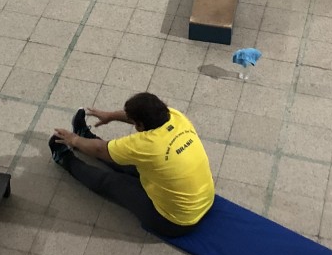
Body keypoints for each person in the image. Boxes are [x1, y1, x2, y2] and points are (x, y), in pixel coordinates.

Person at [49, 94, 215, 238]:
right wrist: (111, 116)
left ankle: (65, 159)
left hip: (174, 222)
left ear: (140, 125)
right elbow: (140, 119)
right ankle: (86, 138)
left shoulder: (146, 145)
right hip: (205, 201)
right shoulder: (176, 118)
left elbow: (101, 150)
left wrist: (73, 139)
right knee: (124, 158)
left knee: (113, 182)